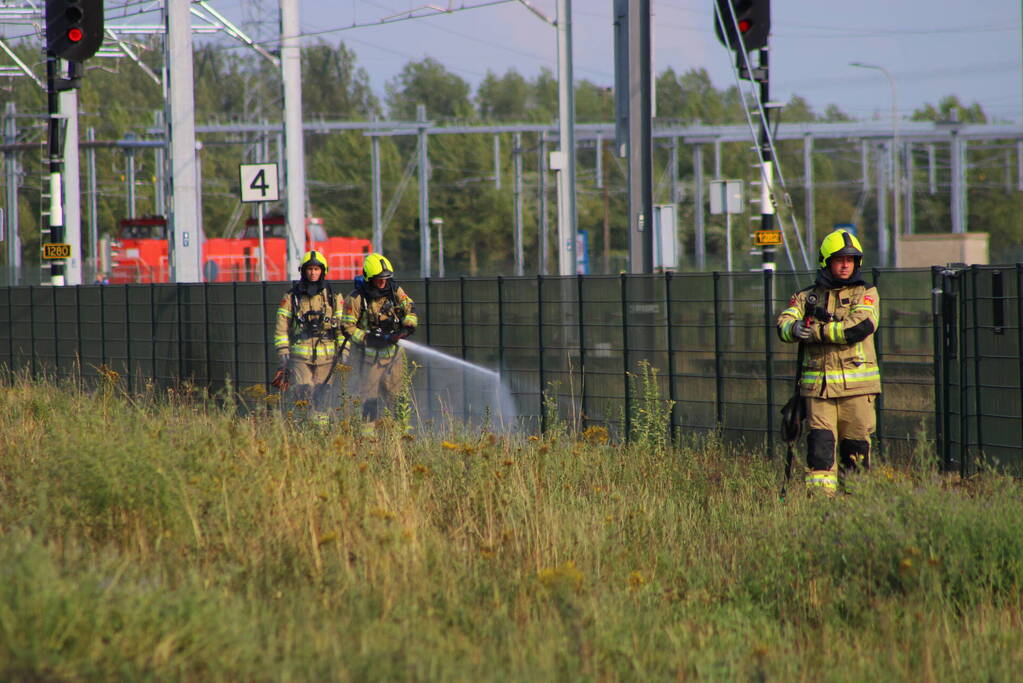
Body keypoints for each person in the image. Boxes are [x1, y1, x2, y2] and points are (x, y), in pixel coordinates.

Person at [776, 229, 881, 495]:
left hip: (857, 393)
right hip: (818, 392)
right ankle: (821, 507)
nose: (845, 265)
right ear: (826, 262)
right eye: (839, 259)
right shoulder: (806, 297)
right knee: (820, 452)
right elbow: (783, 323)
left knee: (855, 451)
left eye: (851, 259)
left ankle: (856, 509)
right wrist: (795, 327)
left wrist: (816, 332)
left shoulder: (866, 293)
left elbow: (860, 326)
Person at [340, 253, 418, 435]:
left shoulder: (394, 291)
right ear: (369, 278)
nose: (383, 283)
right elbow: (347, 327)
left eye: (385, 279)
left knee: (399, 400)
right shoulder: (356, 298)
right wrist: (368, 338)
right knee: (369, 402)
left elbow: (411, 309)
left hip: (394, 356)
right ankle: (369, 443)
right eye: (378, 279)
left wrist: (407, 328)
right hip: (369, 359)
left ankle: (402, 438)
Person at [273, 250, 345, 424]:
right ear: (303, 271)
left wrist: (344, 350)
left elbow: (342, 328)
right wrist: (283, 351)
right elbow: (281, 326)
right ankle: (301, 429)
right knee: (304, 391)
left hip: (327, 358)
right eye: (310, 269)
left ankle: (319, 433)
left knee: (322, 396)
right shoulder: (291, 297)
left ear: (323, 271)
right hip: (300, 358)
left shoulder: (334, 298)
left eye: (317, 269)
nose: (313, 273)